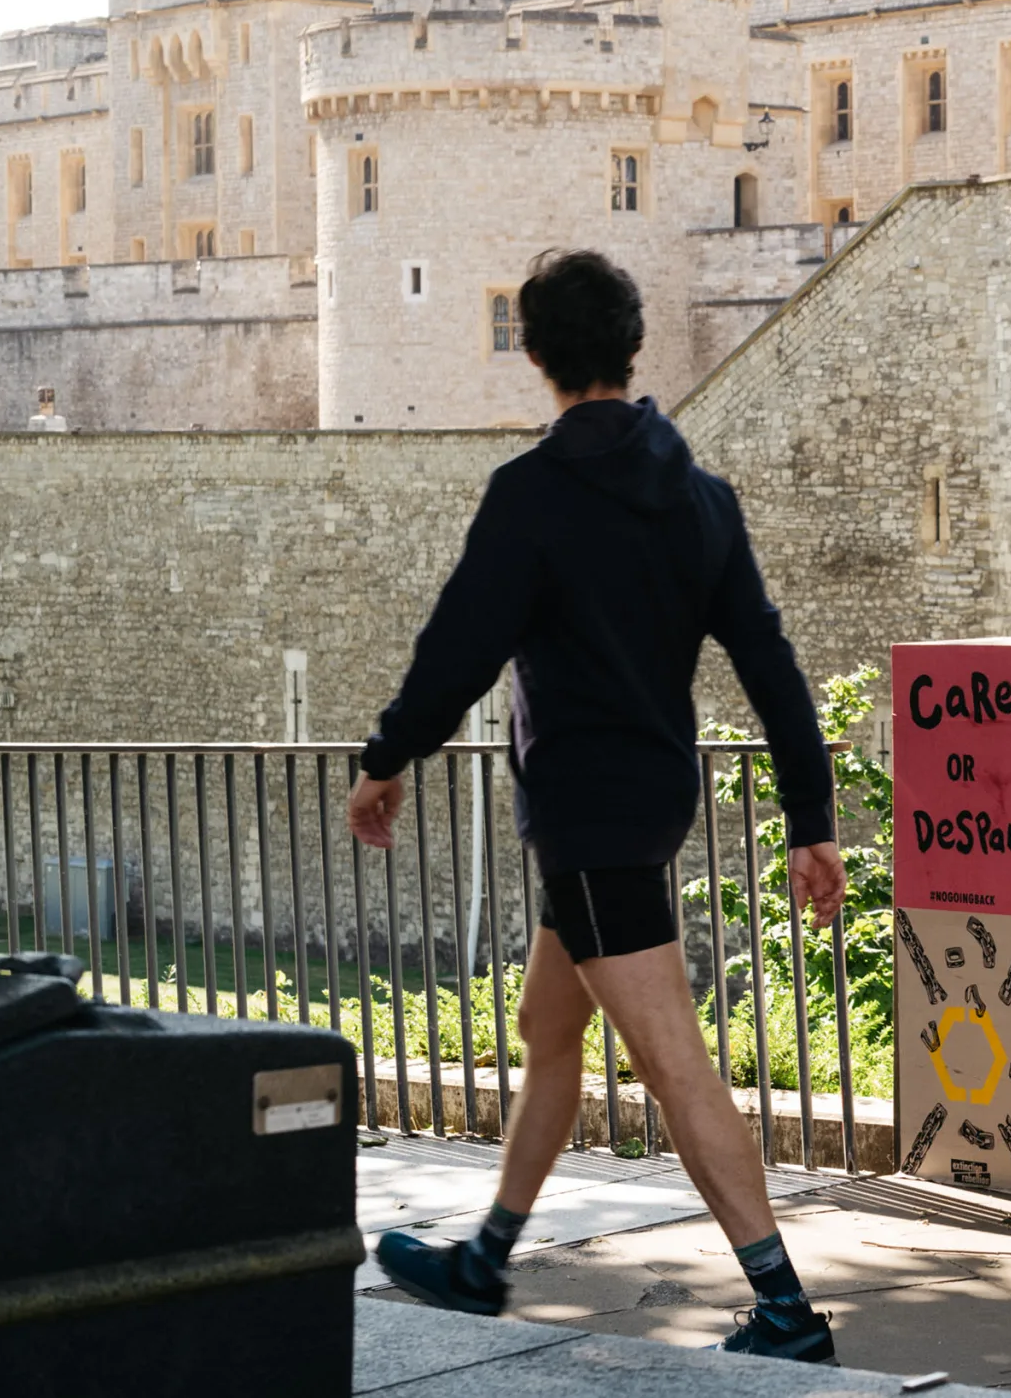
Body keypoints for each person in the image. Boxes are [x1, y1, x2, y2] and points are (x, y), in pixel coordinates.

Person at [347, 250, 846, 1363]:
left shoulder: (532, 496)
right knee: (548, 1026)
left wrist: (387, 758)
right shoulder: (702, 499)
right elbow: (773, 669)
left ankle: (785, 1312)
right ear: (634, 347)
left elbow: (458, 650)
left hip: (587, 818)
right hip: (646, 802)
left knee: (672, 1059)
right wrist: (814, 821)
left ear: (534, 355)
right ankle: (485, 1259)